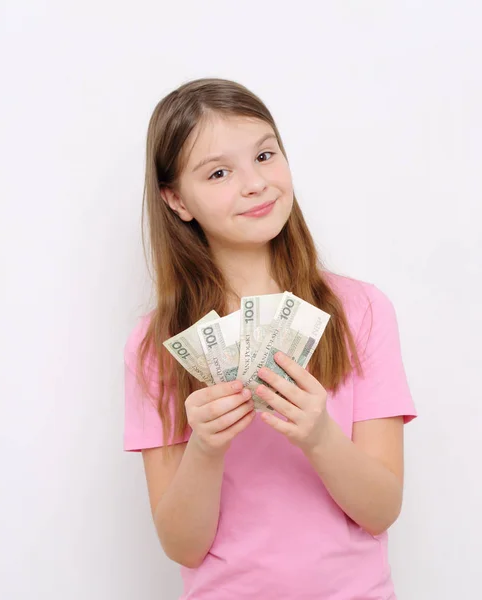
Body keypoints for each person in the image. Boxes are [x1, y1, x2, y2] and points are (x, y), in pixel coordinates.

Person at [123, 77, 417, 599]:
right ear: (176, 201)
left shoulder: (361, 311)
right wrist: (206, 449)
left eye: (264, 155)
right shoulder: (156, 346)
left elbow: (382, 509)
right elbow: (182, 546)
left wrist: (319, 435)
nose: (255, 183)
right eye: (218, 172)